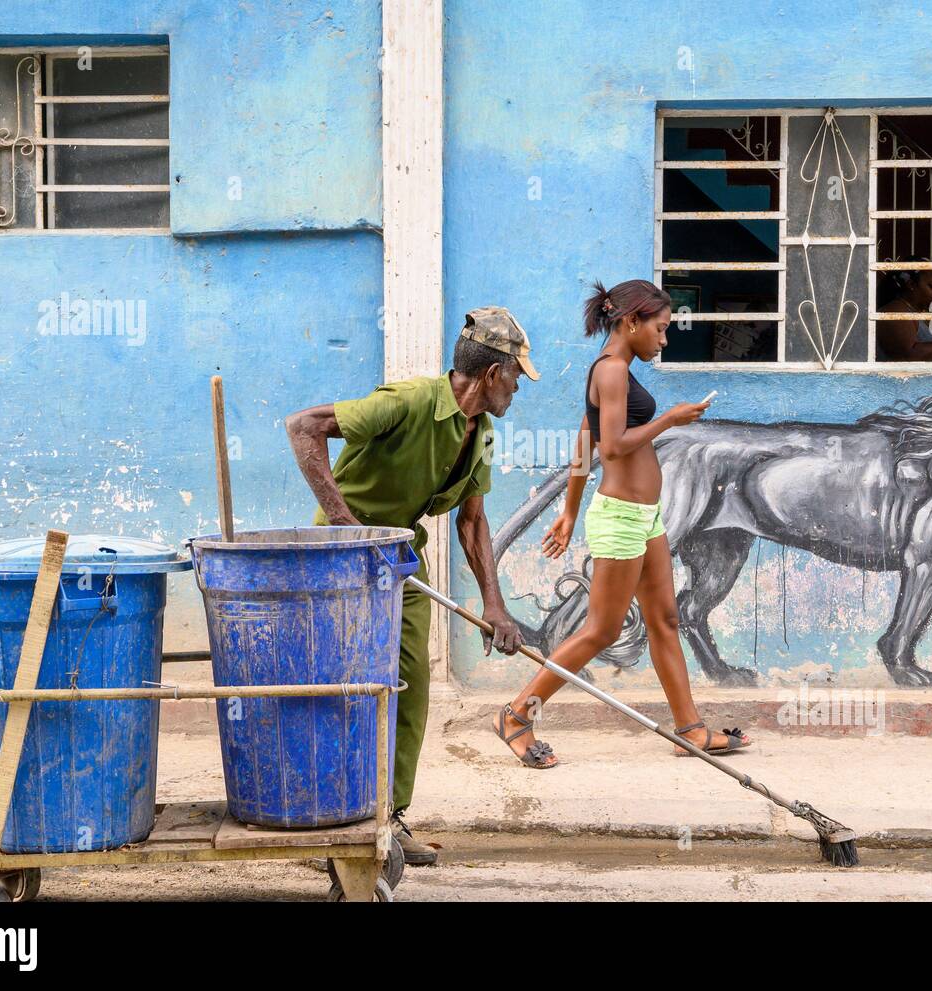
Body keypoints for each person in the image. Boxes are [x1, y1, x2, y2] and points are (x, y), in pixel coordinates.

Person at [286, 307, 535, 865]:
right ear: (493, 375)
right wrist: (348, 527)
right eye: (517, 376)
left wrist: (495, 606)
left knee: (408, 685)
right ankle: (335, 813)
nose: (519, 388)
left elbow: (470, 520)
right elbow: (303, 427)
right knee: (347, 686)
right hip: (342, 560)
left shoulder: (481, 434)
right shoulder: (409, 401)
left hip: (399, 562)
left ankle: (387, 816)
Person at [491, 279, 750, 768]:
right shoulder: (611, 372)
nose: (664, 339)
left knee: (665, 620)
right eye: (661, 328)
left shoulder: (617, 373)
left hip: (645, 517)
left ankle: (690, 730)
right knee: (601, 631)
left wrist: (568, 510)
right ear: (632, 322)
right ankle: (517, 715)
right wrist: (669, 421)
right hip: (622, 519)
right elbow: (611, 447)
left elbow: (586, 440)